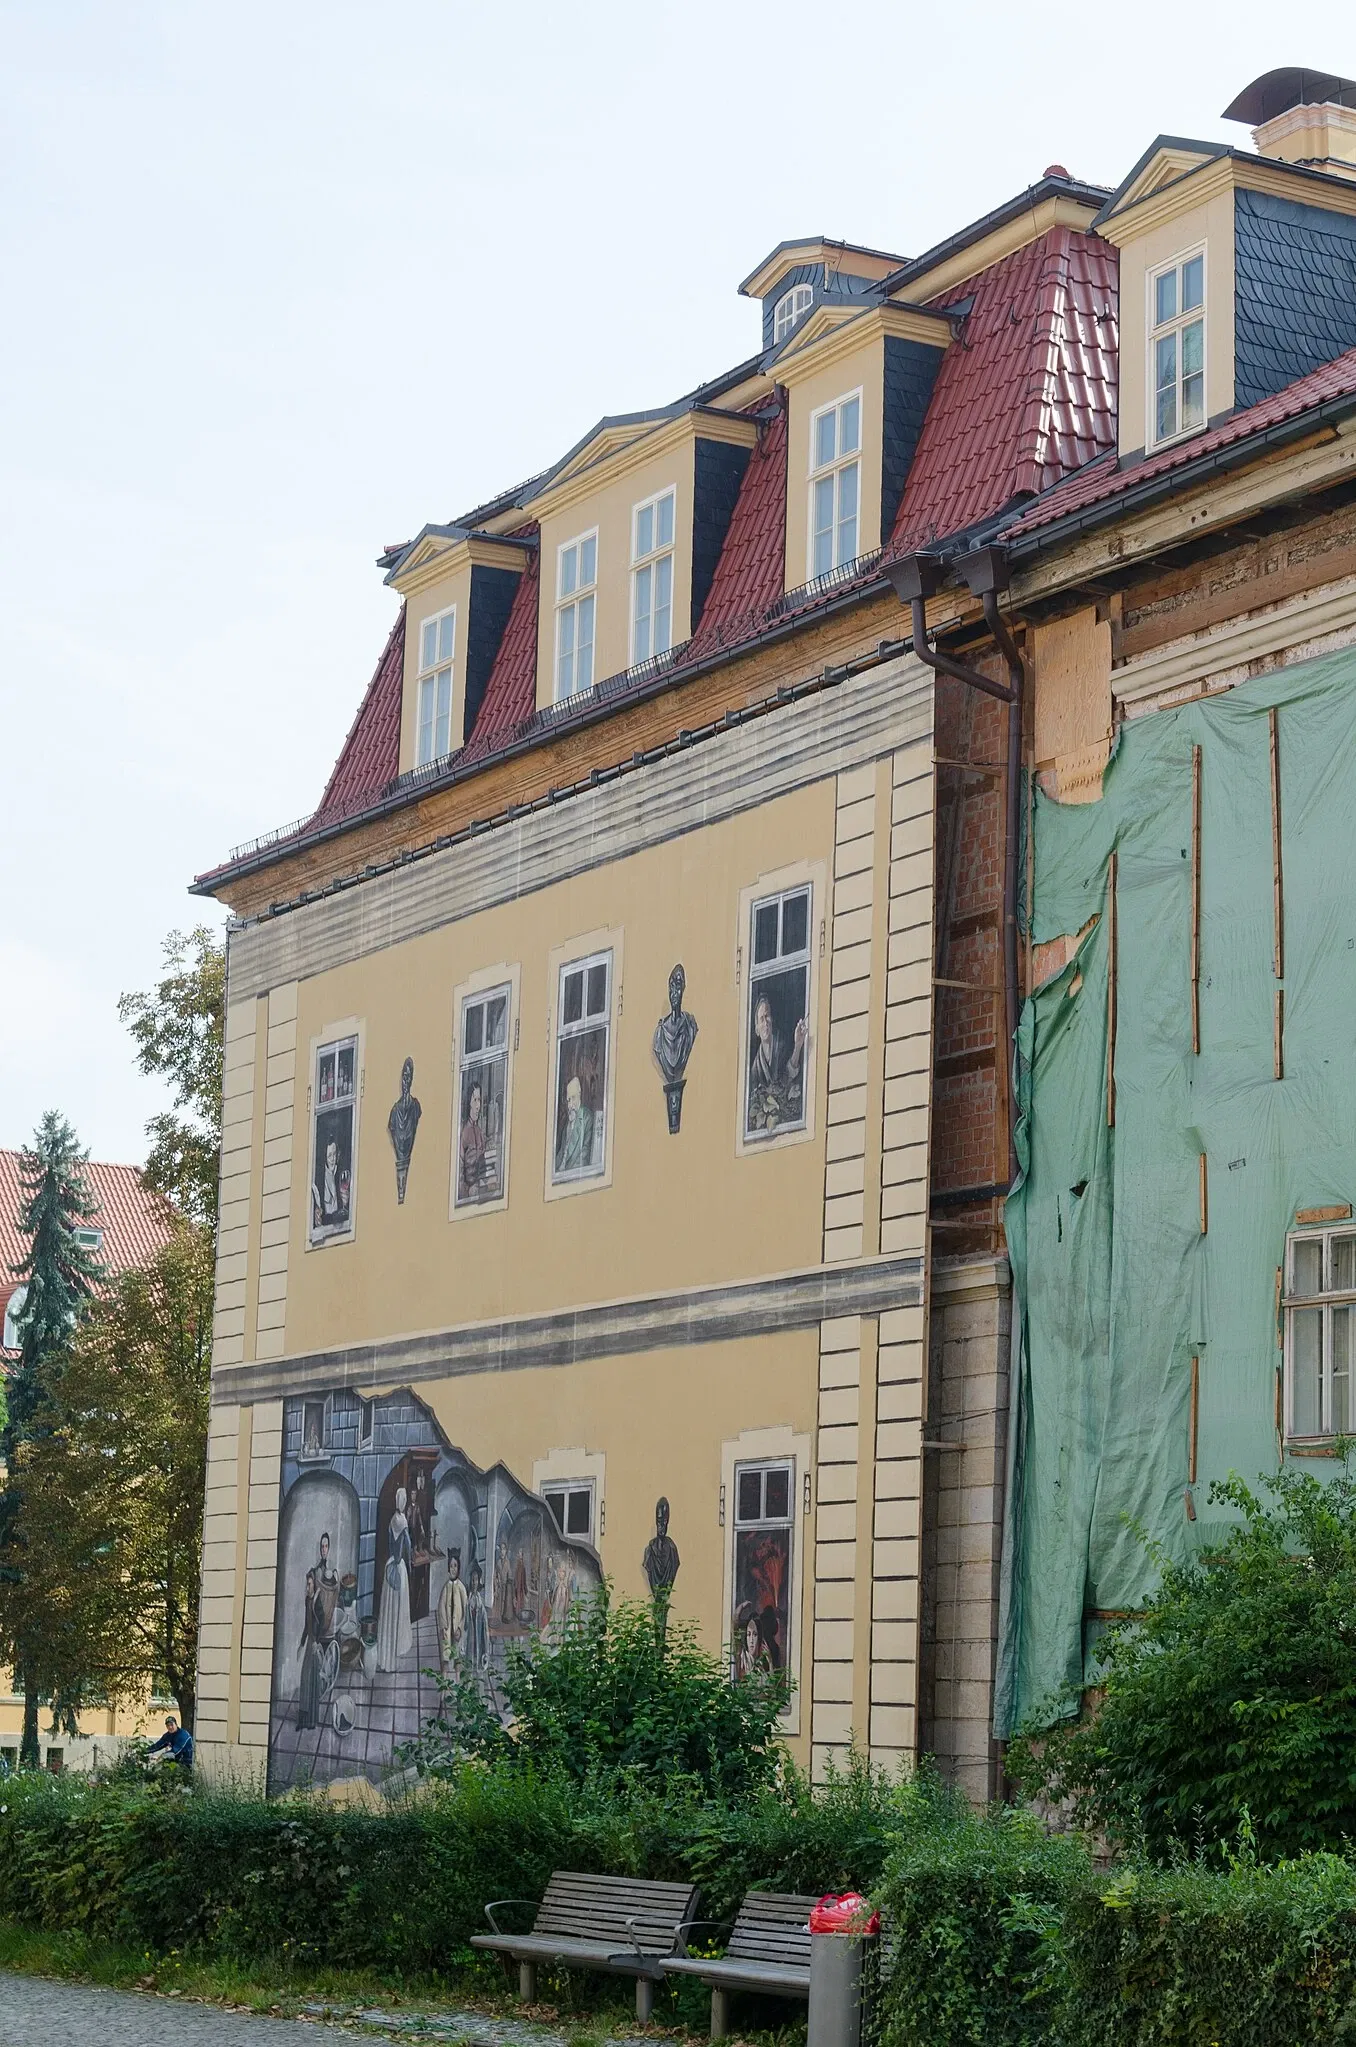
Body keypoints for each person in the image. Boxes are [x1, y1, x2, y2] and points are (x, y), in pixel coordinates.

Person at [746, 993, 807, 1133]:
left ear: (772, 1019)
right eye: (761, 1019)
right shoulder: (756, 1067)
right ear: (756, 1029)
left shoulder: (782, 1045)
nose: (765, 1022)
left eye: (767, 1016)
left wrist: (798, 1045)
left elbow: (790, 1074)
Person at [377, 1486, 414, 1671]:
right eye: (404, 1498)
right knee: (398, 1609)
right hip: (398, 1568)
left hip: (389, 1564)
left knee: (389, 1609)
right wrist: (410, 1561)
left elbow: (390, 1542)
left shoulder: (392, 1519)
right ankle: (398, 1646)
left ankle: (387, 1650)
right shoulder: (402, 1520)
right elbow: (407, 1544)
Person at [387, 1057, 422, 1204]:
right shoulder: (395, 1110)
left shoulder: (415, 1107)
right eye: (404, 1076)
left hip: (407, 1155)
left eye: (408, 1077)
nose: (405, 1081)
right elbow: (391, 1128)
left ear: (412, 1080)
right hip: (400, 1156)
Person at [555, 1073, 595, 1174]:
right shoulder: (567, 1120)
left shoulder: (587, 1118)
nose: (570, 1104)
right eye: (568, 1099)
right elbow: (561, 1154)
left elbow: (584, 1158)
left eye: (573, 1098)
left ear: (579, 1095)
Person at [437, 1547, 468, 1669]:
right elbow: (441, 1608)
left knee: (457, 1657)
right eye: (451, 1566)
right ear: (448, 1569)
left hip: (457, 1630)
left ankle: (458, 1679)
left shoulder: (461, 1588)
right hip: (447, 1628)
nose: (453, 1568)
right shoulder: (446, 1588)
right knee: (446, 1656)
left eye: (455, 1565)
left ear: (458, 1568)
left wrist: (460, 1627)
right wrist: (444, 1626)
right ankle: (445, 1685)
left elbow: (465, 1610)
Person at [459, 1080, 490, 1200]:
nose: (478, 1106)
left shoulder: (480, 1132)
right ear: (469, 1103)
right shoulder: (464, 1133)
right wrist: (467, 1192)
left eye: (480, 1100)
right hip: (467, 1194)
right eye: (475, 1100)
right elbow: (459, 1173)